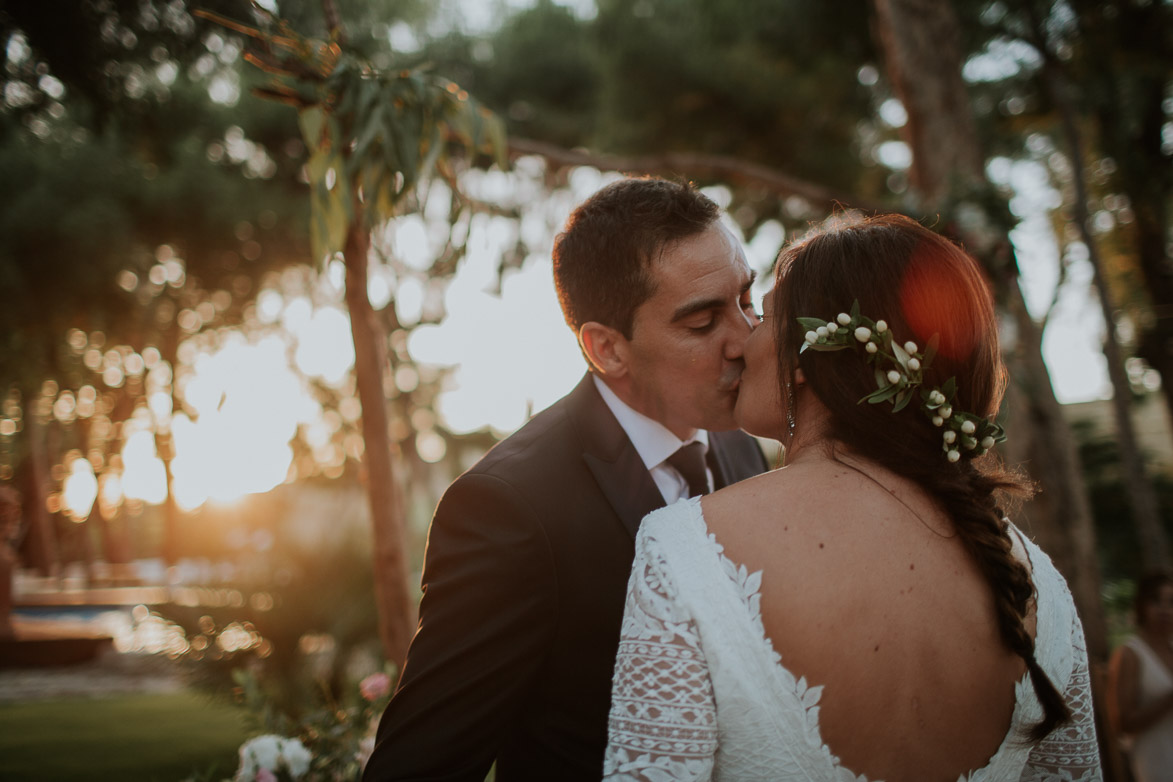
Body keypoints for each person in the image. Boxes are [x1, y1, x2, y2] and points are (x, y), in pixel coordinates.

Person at [603, 214, 1102, 781]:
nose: (742, 341)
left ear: (801, 361)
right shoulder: (1038, 584)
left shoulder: (684, 547)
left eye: (763, 314)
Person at [362, 178, 769, 781]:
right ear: (607, 349)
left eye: (746, 299)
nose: (746, 338)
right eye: (704, 322)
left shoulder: (743, 446)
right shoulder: (509, 508)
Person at [1108, 572, 1173, 781]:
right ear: (1142, 605)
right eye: (1156, 600)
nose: (1165, 609)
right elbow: (1122, 723)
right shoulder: (1129, 653)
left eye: (1171, 602)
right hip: (1157, 762)